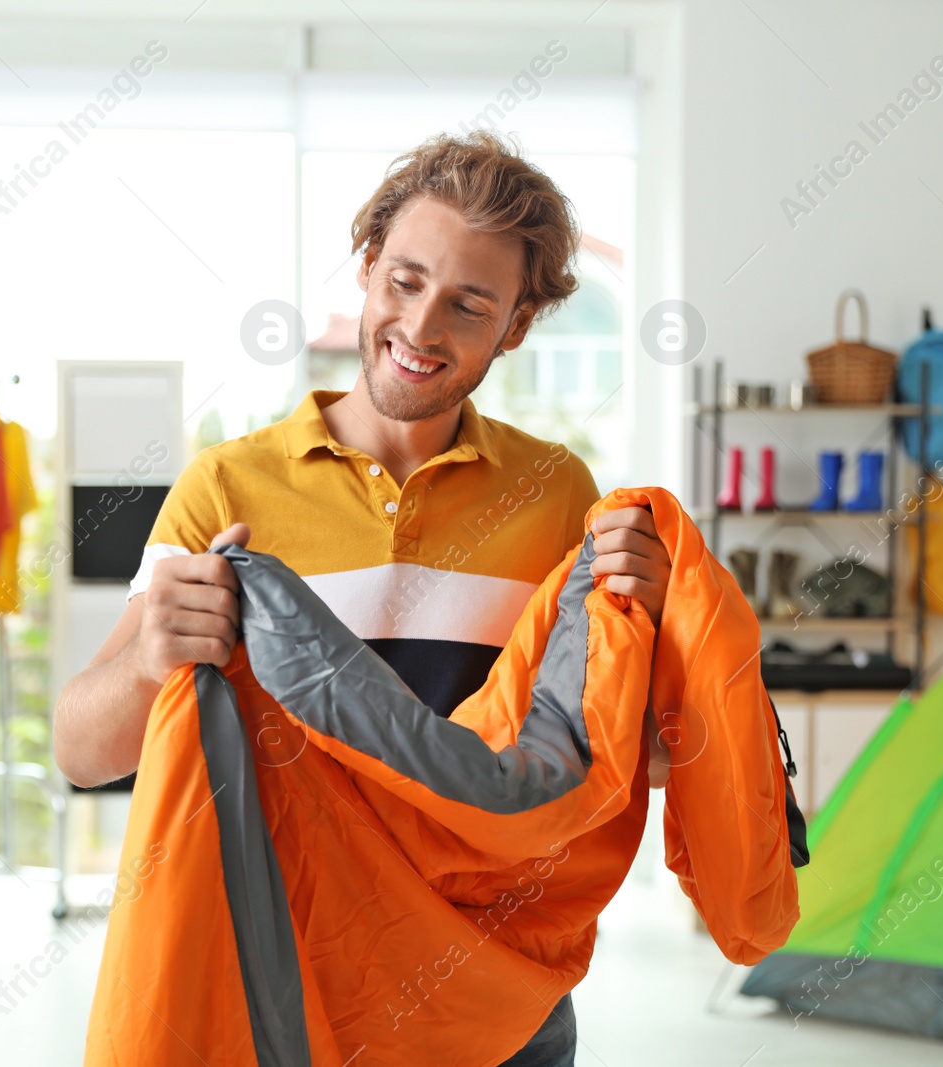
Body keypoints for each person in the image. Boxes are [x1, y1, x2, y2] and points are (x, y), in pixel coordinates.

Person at [53, 130, 672, 1067]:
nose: (423, 328)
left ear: (515, 326)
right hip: (289, 990)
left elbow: (629, 763)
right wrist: (150, 659)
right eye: (406, 281)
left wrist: (651, 620)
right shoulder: (227, 488)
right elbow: (80, 749)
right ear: (369, 267)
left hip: (495, 1006)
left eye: (470, 304)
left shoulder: (555, 496)